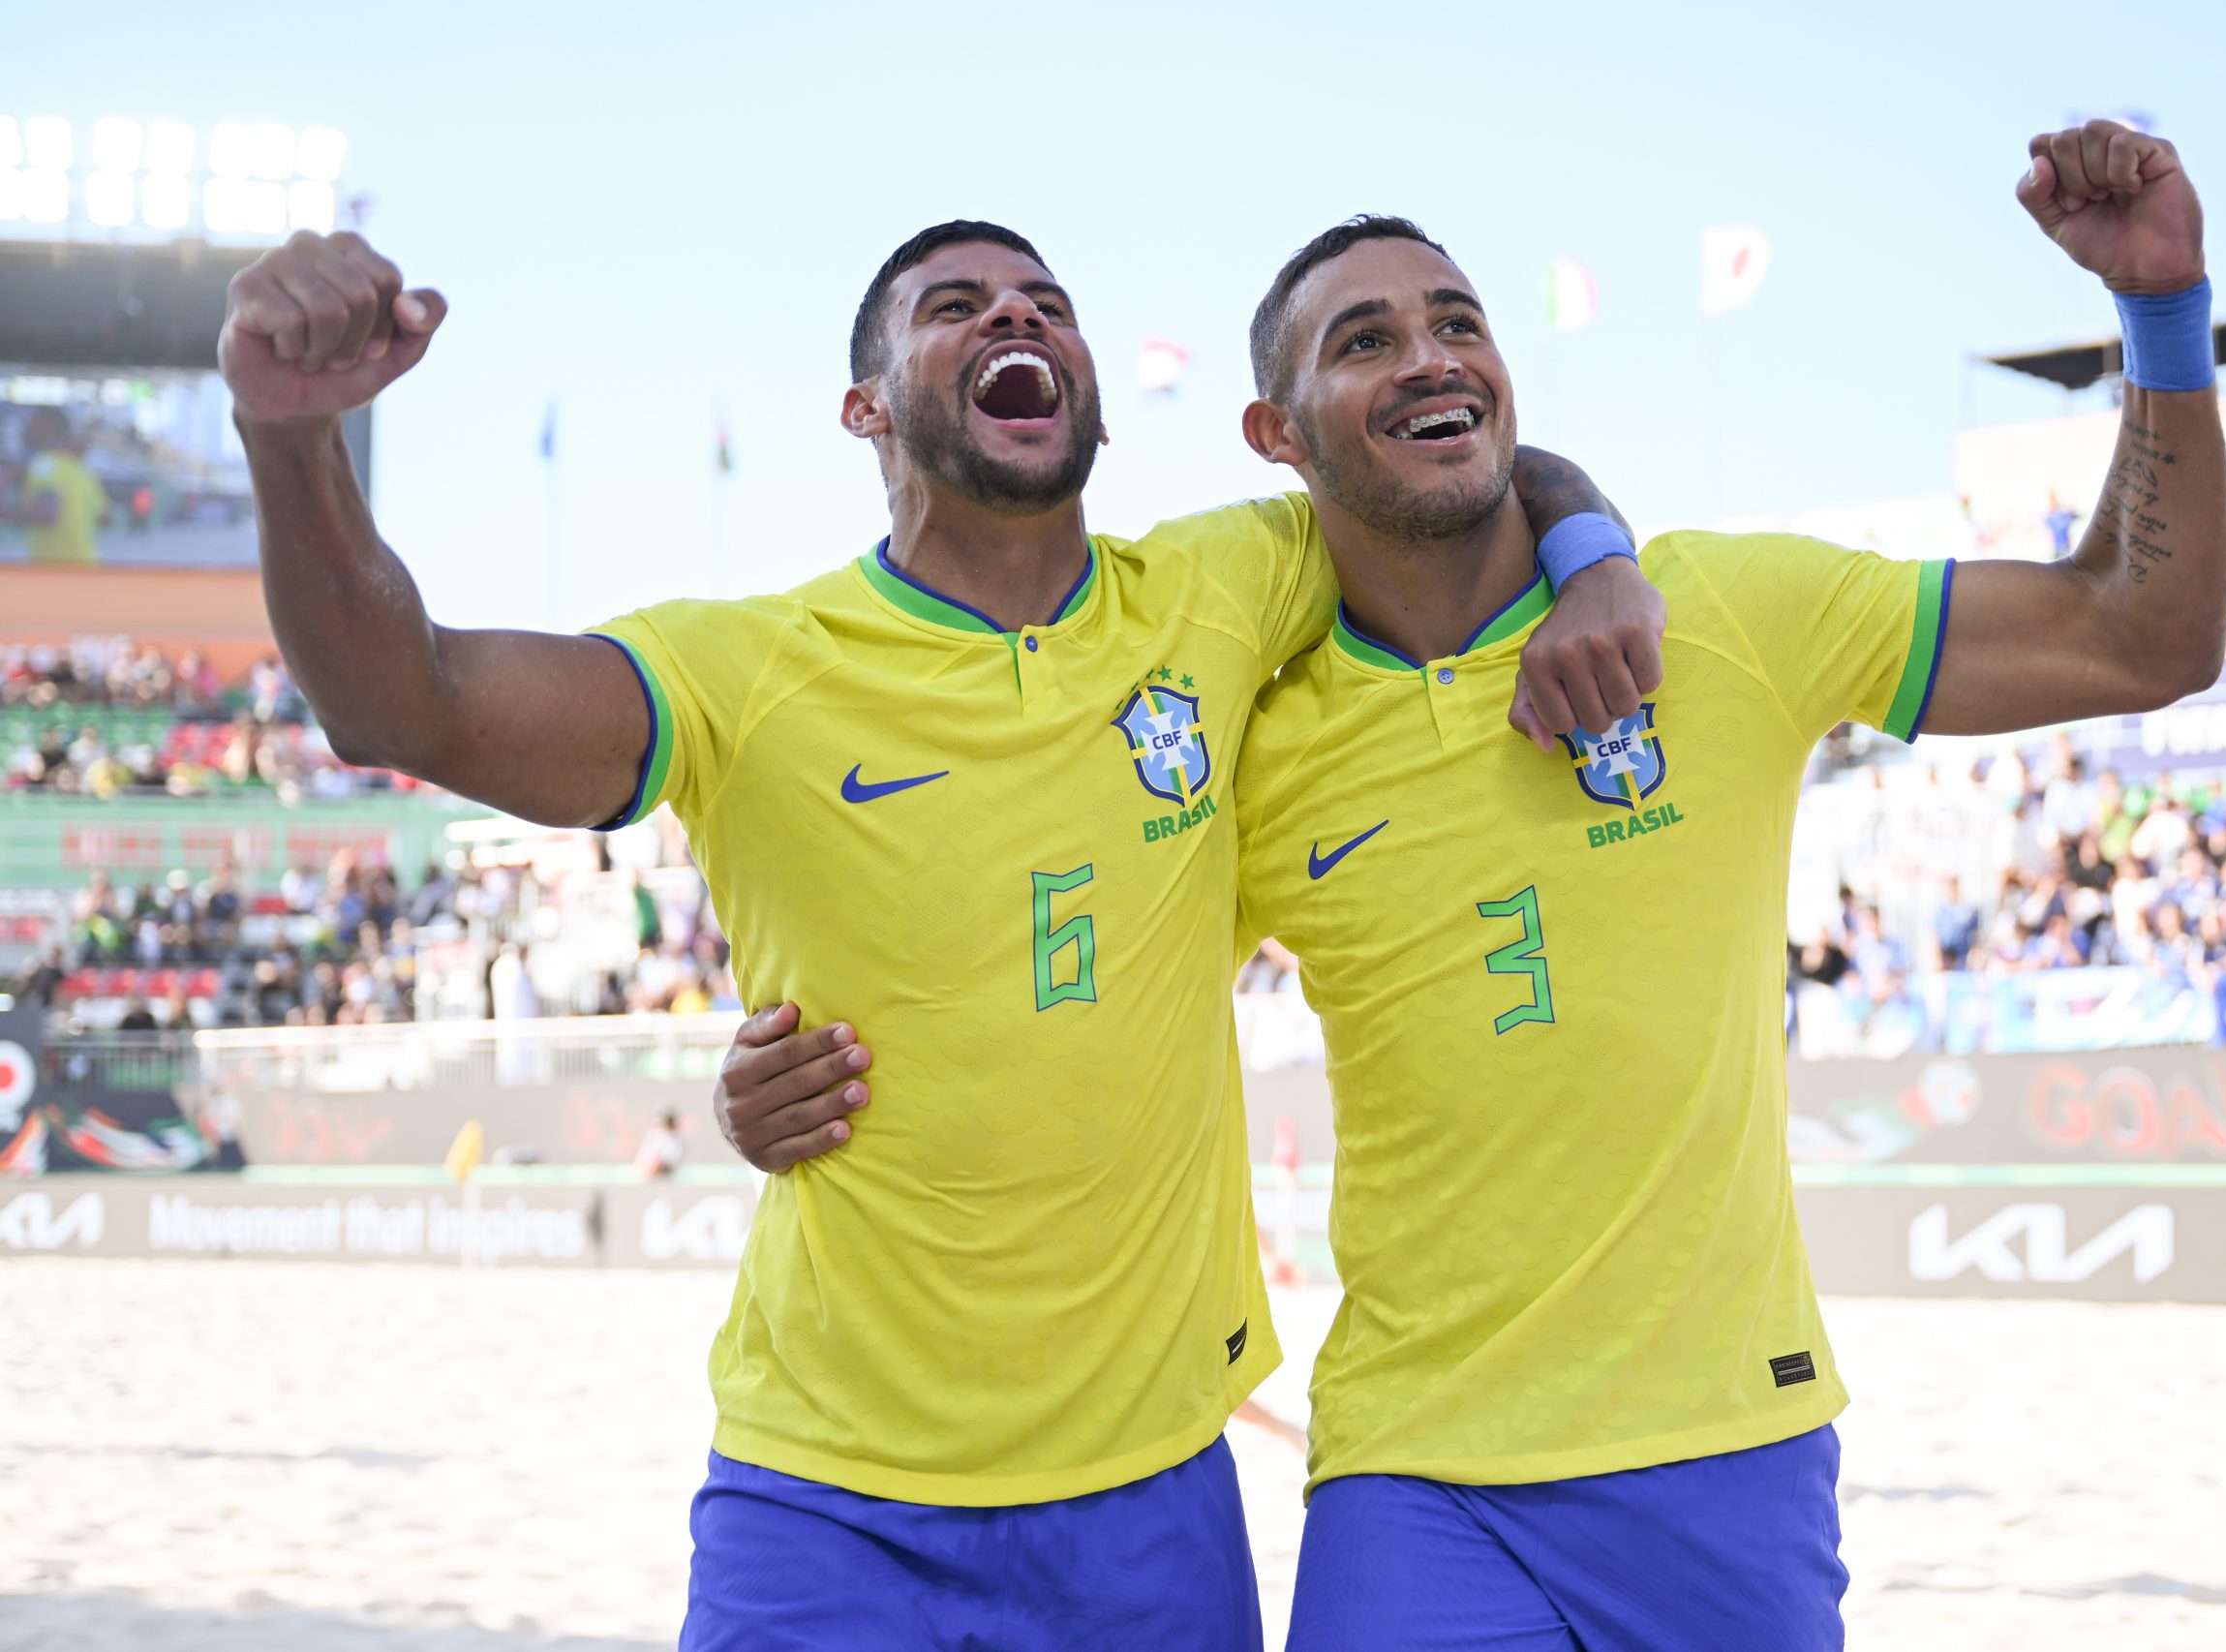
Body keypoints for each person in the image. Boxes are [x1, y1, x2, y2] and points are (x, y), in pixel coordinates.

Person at [729, 119, 2226, 1648]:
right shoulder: (1260, 744)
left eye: (1459, 323)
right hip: (1414, 1469)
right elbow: (1045, 969)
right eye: (1367, 339)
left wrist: (2162, 315)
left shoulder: (1726, 613)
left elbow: (2144, 637)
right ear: (1278, 434)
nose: (1432, 357)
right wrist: (777, 1077)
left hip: (1731, 1445)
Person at [218, 220, 1659, 1648]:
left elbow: (1451, 463)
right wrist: (291, 445)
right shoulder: (753, 669)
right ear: (866, 407)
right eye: (955, 306)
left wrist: (1595, 556)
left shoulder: (1227, 587)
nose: (1014, 321)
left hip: (1152, 1489)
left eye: (1046, 302)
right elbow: (404, 703)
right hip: (832, 1499)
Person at [0, 408, 108, 566]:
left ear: (46, 427)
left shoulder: (45, 464)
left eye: (31, 422)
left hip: (55, 572)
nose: (24, 428)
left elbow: (46, 513)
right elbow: (104, 517)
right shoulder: (80, 469)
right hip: (88, 567)